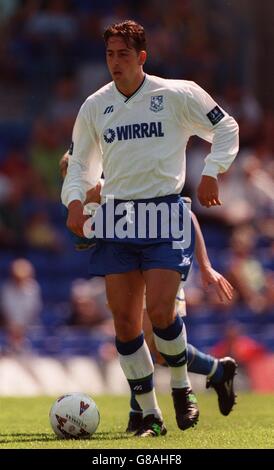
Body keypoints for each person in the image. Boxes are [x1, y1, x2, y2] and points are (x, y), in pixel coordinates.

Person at [61, 20, 239, 437]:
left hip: (163, 215)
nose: (115, 63)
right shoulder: (94, 106)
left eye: (124, 55)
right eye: (110, 55)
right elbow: (80, 166)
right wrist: (73, 202)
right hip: (117, 219)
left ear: (142, 57)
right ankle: (150, 416)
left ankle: (181, 389)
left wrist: (213, 170)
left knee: (161, 315)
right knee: (125, 324)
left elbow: (226, 127)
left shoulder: (177, 94)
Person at [60, 153, 238, 432]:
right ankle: (217, 371)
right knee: (152, 348)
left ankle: (143, 413)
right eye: (68, 178)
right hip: (131, 273)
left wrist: (206, 266)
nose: (73, 182)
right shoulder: (79, 204)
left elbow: (186, 214)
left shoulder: (118, 190)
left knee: (146, 337)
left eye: (75, 174)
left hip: (158, 266)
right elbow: (84, 243)